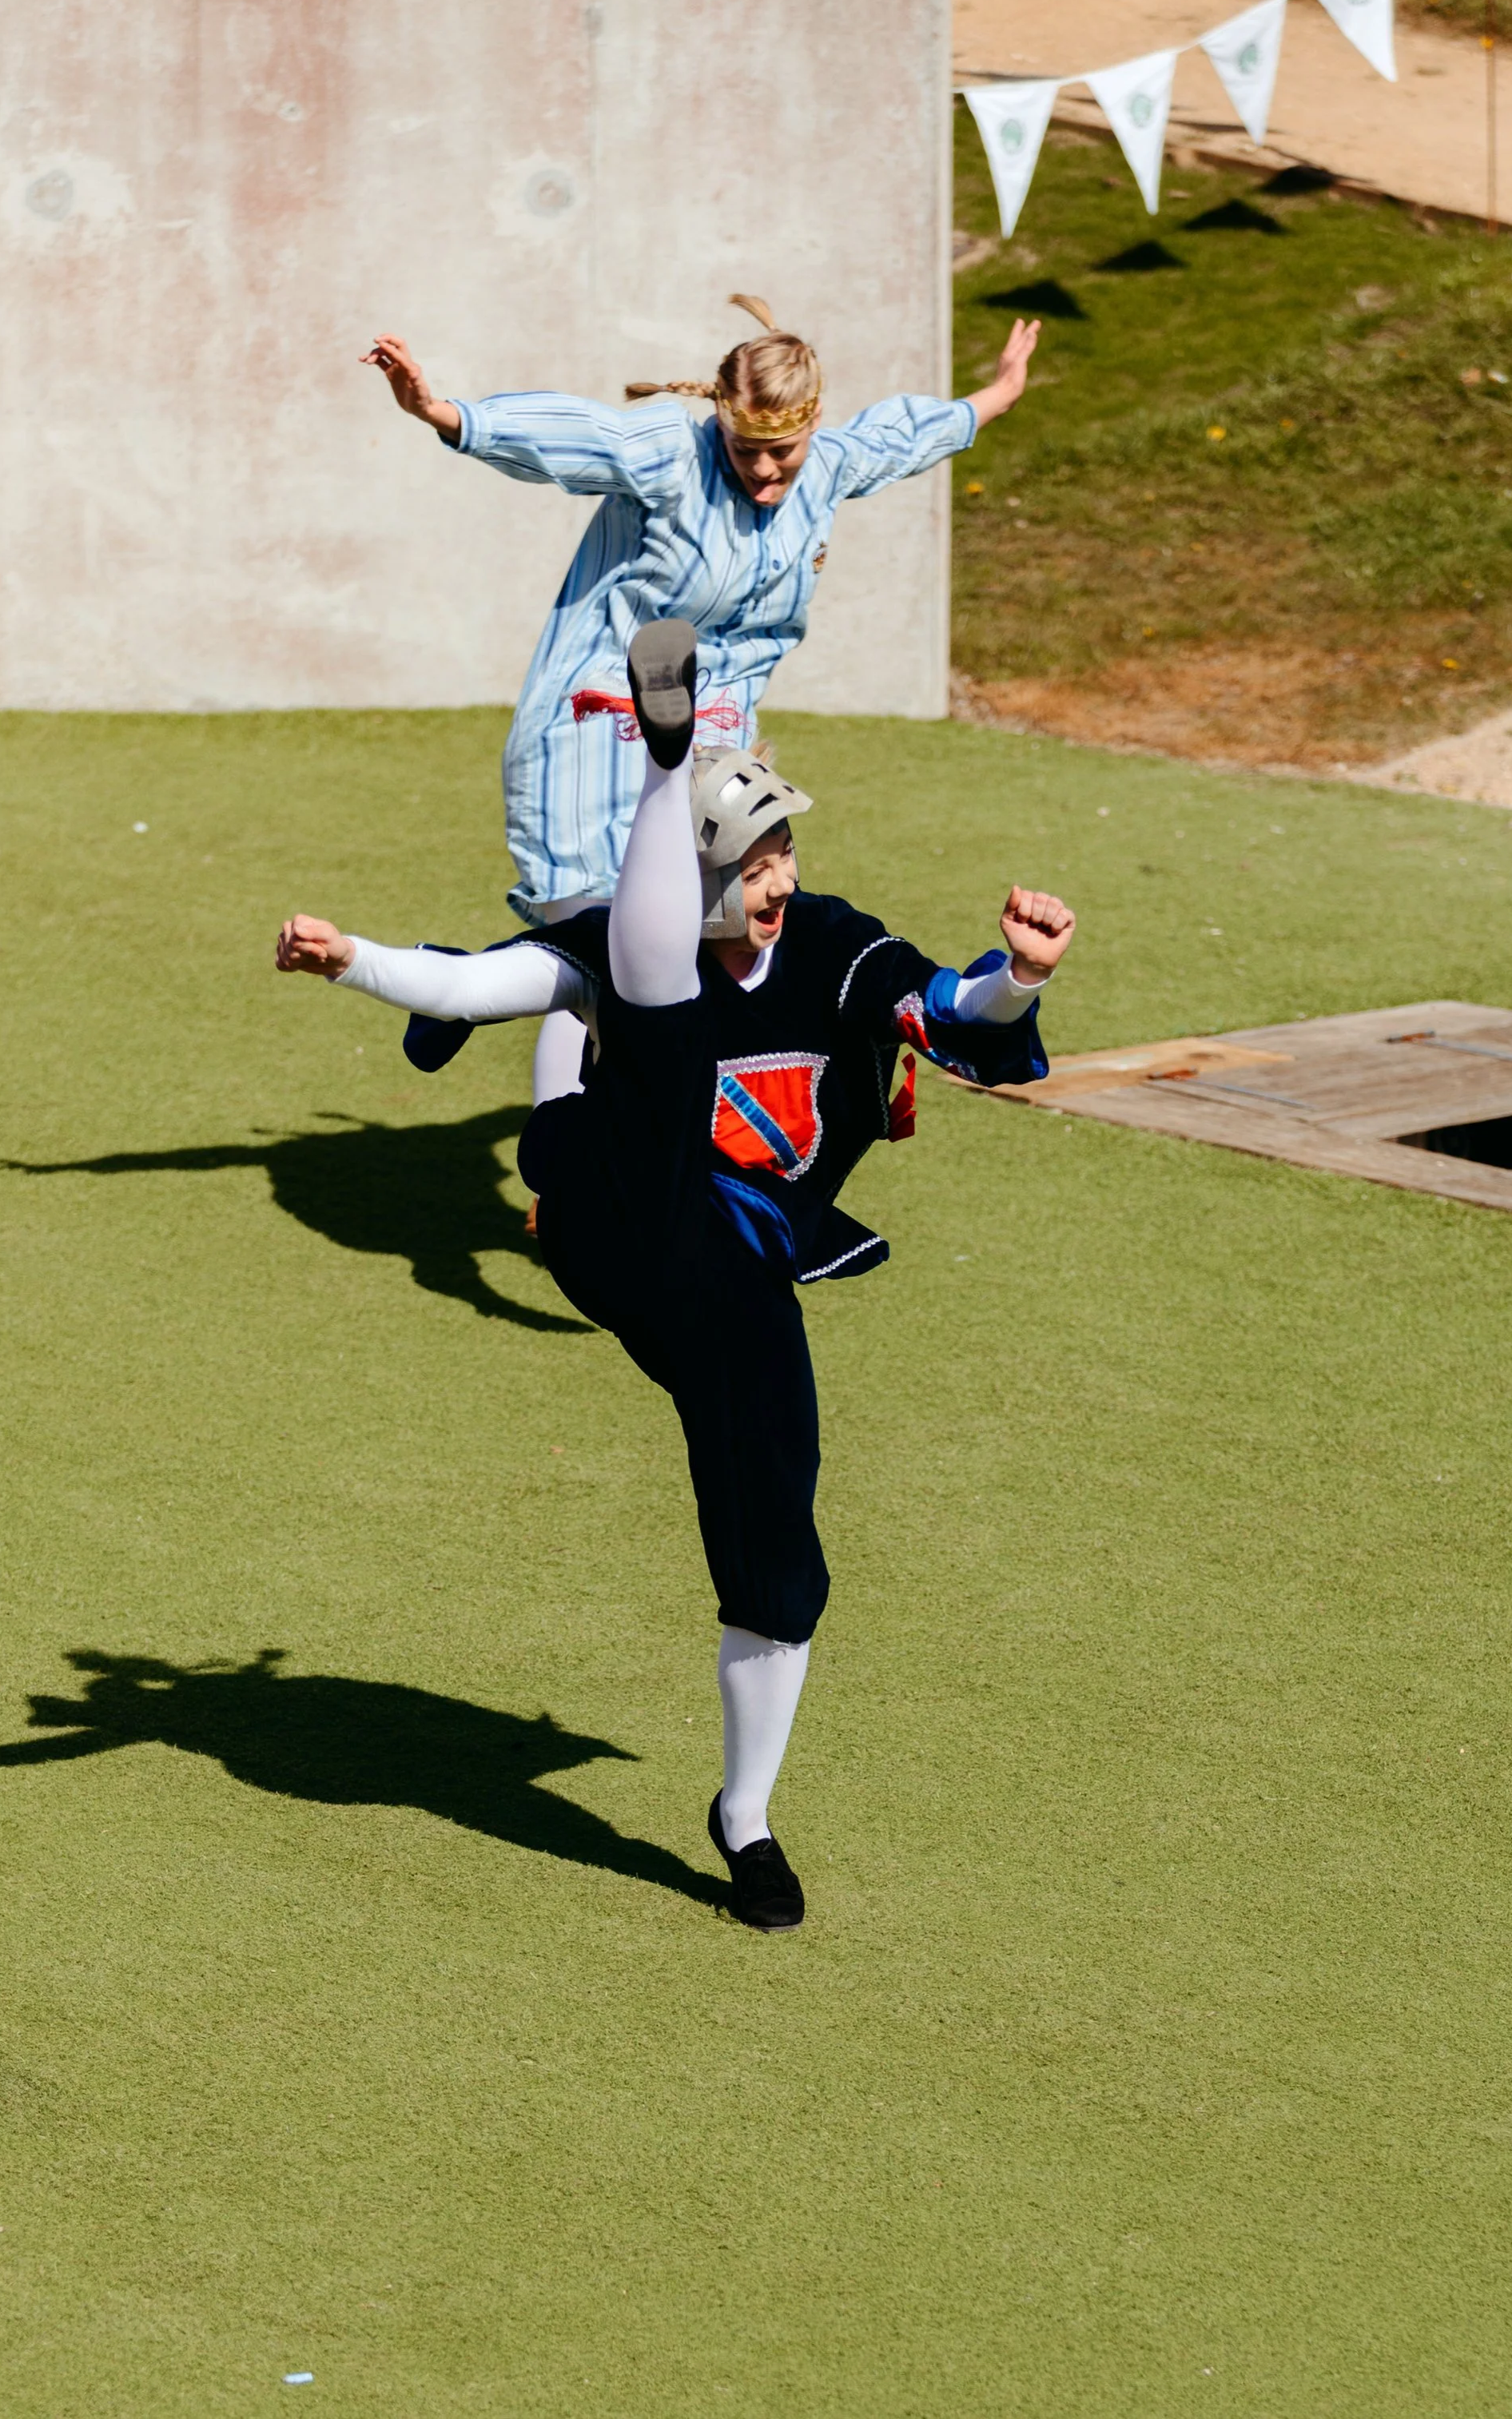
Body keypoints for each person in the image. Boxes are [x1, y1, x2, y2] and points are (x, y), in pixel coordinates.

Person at [275, 621, 1075, 1931]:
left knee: (778, 1543)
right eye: (746, 860)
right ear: (693, 874)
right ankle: (660, 770)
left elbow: (946, 1007)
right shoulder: (625, 942)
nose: (774, 878)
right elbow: (467, 987)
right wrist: (351, 960)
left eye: (779, 852)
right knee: (630, 1004)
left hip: (737, 1270)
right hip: (610, 1214)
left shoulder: (834, 947)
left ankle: (743, 1816)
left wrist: (1017, 982)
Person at [361, 295, 1041, 1108]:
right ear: (719, 420)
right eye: (745, 448)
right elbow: (574, 436)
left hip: (715, 750)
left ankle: (484, 995)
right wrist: (440, 412)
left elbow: (898, 439)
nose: (762, 470)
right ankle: (555, 1163)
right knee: (608, 951)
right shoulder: (669, 454)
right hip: (593, 731)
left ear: (812, 425)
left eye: (780, 451)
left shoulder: (826, 468)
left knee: (691, 948)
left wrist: (995, 397)